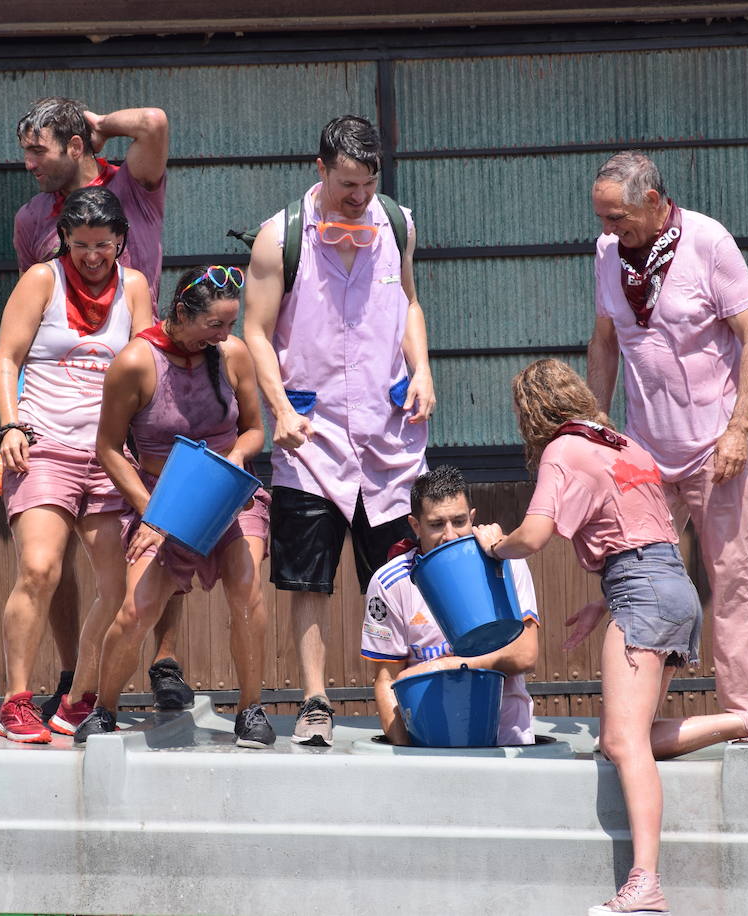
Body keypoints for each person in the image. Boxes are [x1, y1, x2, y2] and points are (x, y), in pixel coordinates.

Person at [473, 358, 748, 916]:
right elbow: (650, 534)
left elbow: (536, 535)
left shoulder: (562, 451)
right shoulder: (625, 445)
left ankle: (646, 882)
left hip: (642, 591)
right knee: (621, 738)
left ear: (533, 414)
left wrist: (493, 544)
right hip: (668, 587)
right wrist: (606, 600)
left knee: (622, 742)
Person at [584, 151, 748, 760]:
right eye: (604, 219)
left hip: (718, 447)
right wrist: (595, 424)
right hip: (644, 450)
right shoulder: (608, 254)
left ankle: (747, 714)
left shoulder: (708, 242)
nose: (610, 230)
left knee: (730, 576)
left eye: (619, 218)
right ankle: (633, 721)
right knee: (639, 579)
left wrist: (739, 427)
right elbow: (606, 341)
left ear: (655, 200)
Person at [243, 115, 435, 747]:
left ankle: (413, 698)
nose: (359, 195)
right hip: (311, 436)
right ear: (320, 170)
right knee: (308, 578)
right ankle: (315, 701)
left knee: (402, 574)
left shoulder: (397, 224)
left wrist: (424, 370)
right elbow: (255, 333)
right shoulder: (280, 238)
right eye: (347, 183)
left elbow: (408, 301)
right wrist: (281, 410)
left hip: (388, 435)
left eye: (368, 181)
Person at [13, 96, 195, 715]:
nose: (30, 163)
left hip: (148, 381)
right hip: (61, 418)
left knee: (158, 527)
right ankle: (73, 672)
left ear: (75, 144)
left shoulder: (135, 186)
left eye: (39, 149)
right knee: (58, 554)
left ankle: (164, 658)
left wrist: (99, 125)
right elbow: (33, 327)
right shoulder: (33, 219)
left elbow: (156, 122)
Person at [73, 265, 273, 748]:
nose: (224, 335)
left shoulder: (232, 354)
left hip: (228, 491)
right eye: (214, 326)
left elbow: (253, 429)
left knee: (246, 590)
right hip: (163, 496)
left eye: (230, 324)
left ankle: (250, 706)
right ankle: (105, 709)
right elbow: (108, 449)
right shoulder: (136, 362)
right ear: (181, 313)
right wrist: (155, 515)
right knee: (135, 610)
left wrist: (238, 455)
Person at [0, 187, 154, 742]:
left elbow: (148, 367)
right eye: (80, 244)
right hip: (45, 443)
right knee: (39, 568)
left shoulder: (134, 286)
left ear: (121, 242)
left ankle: (80, 695)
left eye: (103, 245)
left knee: (119, 585)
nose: (91, 255)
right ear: (64, 239)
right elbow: (6, 360)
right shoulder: (42, 279)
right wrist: (11, 424)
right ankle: (15, 700)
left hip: (107, 453)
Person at [362, 466, 540, 747]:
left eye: (459, 521)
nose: (450, 535)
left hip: (508, 742)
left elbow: (526, 654)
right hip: (428, 745)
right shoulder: (389, 582)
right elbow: (386, 681)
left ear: (472, 518)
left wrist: (448, 666)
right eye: (436, 524)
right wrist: (406, 756)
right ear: (415, 525)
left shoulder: (507, 560)